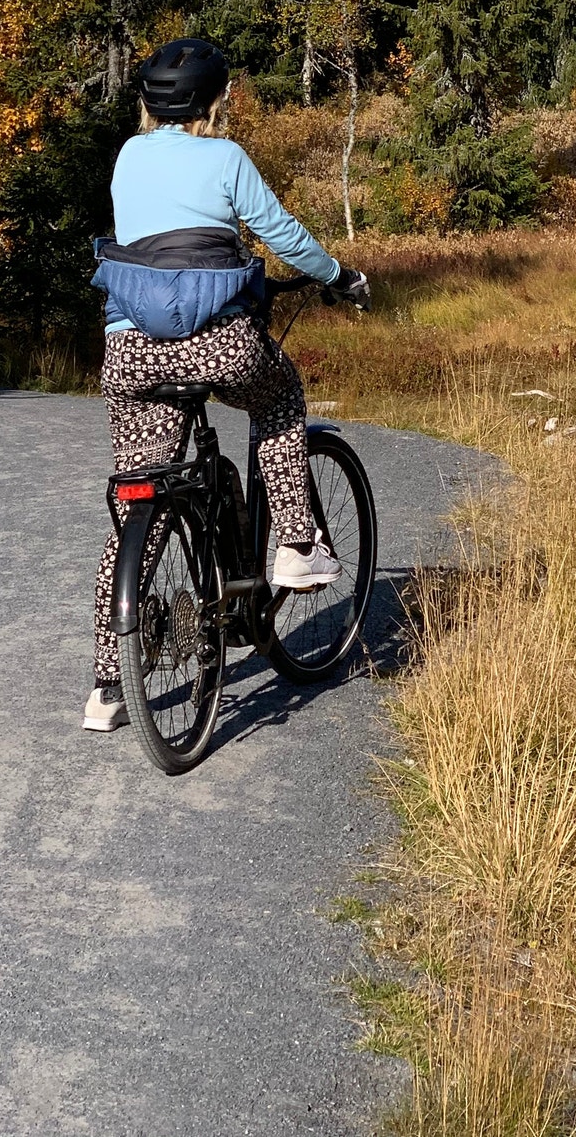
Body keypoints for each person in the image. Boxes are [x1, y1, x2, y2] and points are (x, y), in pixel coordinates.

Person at [83, 37, 369, 733]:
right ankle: (295, 544)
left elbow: (155, 245)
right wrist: (338, 275)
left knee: (141, 499)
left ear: (148, 102)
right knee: (279, 398)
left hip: (132, 349)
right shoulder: (225, 157)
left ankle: (107, 688)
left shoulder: (128, 156)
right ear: (214, 100)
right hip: (220, 341)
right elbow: (283, 236)